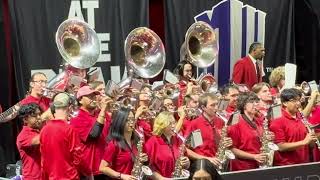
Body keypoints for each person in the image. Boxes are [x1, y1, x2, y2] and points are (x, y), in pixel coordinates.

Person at [40, 92, 89, 179]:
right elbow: (78, 157)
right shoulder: (70, 129)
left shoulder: (44, 130)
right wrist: (88, 173)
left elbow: (44, 160)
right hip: (69, 177)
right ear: (69, 108)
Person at [70, 86, 112, 179]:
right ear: (80, 100)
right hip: (89, 170)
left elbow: (113, 132)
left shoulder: (100, 113)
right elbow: (94, 135)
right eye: (89, 96)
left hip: (105, 167)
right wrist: (103, 110)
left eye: (94, 96)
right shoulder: (77, 118)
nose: (93, 99)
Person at [269, 88, 317, 165]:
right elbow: (280, 146)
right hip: (287, 166)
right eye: (294, 101)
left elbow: (309, 145)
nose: (298, 103)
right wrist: (304, 142)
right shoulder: (277, 121)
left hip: (304, 162)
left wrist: (311, 140)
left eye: (299, 100)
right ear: (284, 103)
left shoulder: (301, 117)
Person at [99, 107, 148, 179]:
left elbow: (145, 163)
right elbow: (102, 168)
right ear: (120, 122)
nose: (131, 122)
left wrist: (145, 160)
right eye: (127, 120)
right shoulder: (114, 144)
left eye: (132, 119)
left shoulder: (138, 142)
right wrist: (121, 176)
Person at [185, 93, 232, 168]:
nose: (216, 108)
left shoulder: (220, 121)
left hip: (219, 162)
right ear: (203, 107)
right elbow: (187, 150)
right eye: (212, 105)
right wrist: (207, 159)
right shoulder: (195, 124)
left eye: (217, 104)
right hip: (202, 165)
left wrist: (227, 143)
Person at [228, 92, 269, 171]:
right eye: (251, 102)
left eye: (256, 102)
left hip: (257, 165)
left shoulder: (258, 122)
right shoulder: (235, 122)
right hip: (242, 167)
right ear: (243, 105)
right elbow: (232, 149)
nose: (255, 104)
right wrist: (254, 156)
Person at [145, 111, 190, 179]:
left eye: (174, 123)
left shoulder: (178, 139)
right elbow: (148, 168)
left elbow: (186, 164)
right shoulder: (153, 142)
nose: (173, 126)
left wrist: (187, 163)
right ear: (162, 126)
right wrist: (163, 179)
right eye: (169, 124)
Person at [16, 103, 42, 180]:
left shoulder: (39, 131)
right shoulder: (22, 136)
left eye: (39, 114)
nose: (39, 117)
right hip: (32, 177)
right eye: (34, 116)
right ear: (25, 119)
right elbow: (38, 140)